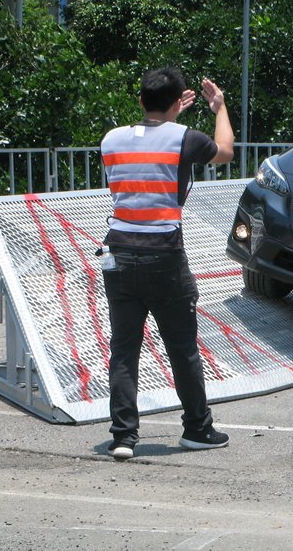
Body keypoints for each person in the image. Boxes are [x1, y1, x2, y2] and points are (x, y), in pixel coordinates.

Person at [99, 67, 234, 460]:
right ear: (178, 103)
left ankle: (123, 436)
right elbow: (224, 151)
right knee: (181, 346)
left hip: (118, 251)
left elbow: (148, 142)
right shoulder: (185, 138)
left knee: (124, 349)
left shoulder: (111, 140)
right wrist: (218, 107)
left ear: (140, 100)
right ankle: (197, 428)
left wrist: (169, 113)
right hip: (164, 254)